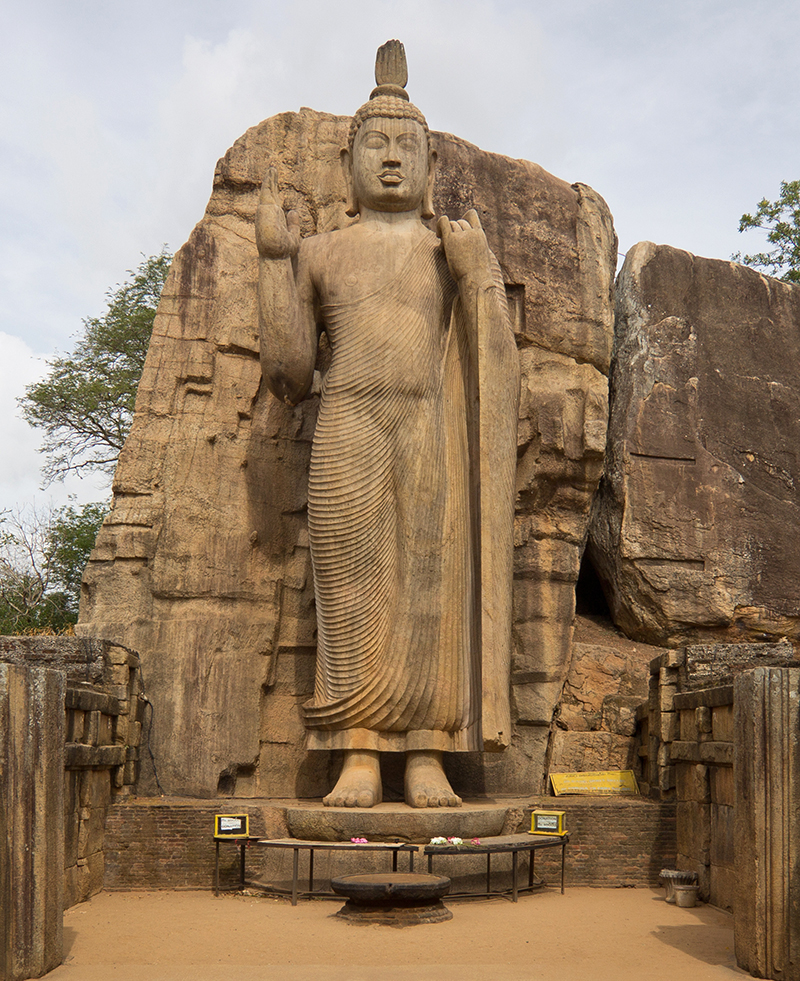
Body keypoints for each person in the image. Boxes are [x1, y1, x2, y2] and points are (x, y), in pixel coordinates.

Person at [256, 41, 519, 808]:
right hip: (348, 422)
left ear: (432, 160)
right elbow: (288, 370)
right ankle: (360, 754)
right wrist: (276, 261)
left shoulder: (449, 249)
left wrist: (476, 277)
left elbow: (493, 357)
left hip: (429, 428)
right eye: (378, 144)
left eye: (409, 146)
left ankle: (427, 753)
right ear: (349, 159)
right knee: (349, 591)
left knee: (428, 592)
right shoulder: (322, 251)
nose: (394, 160)